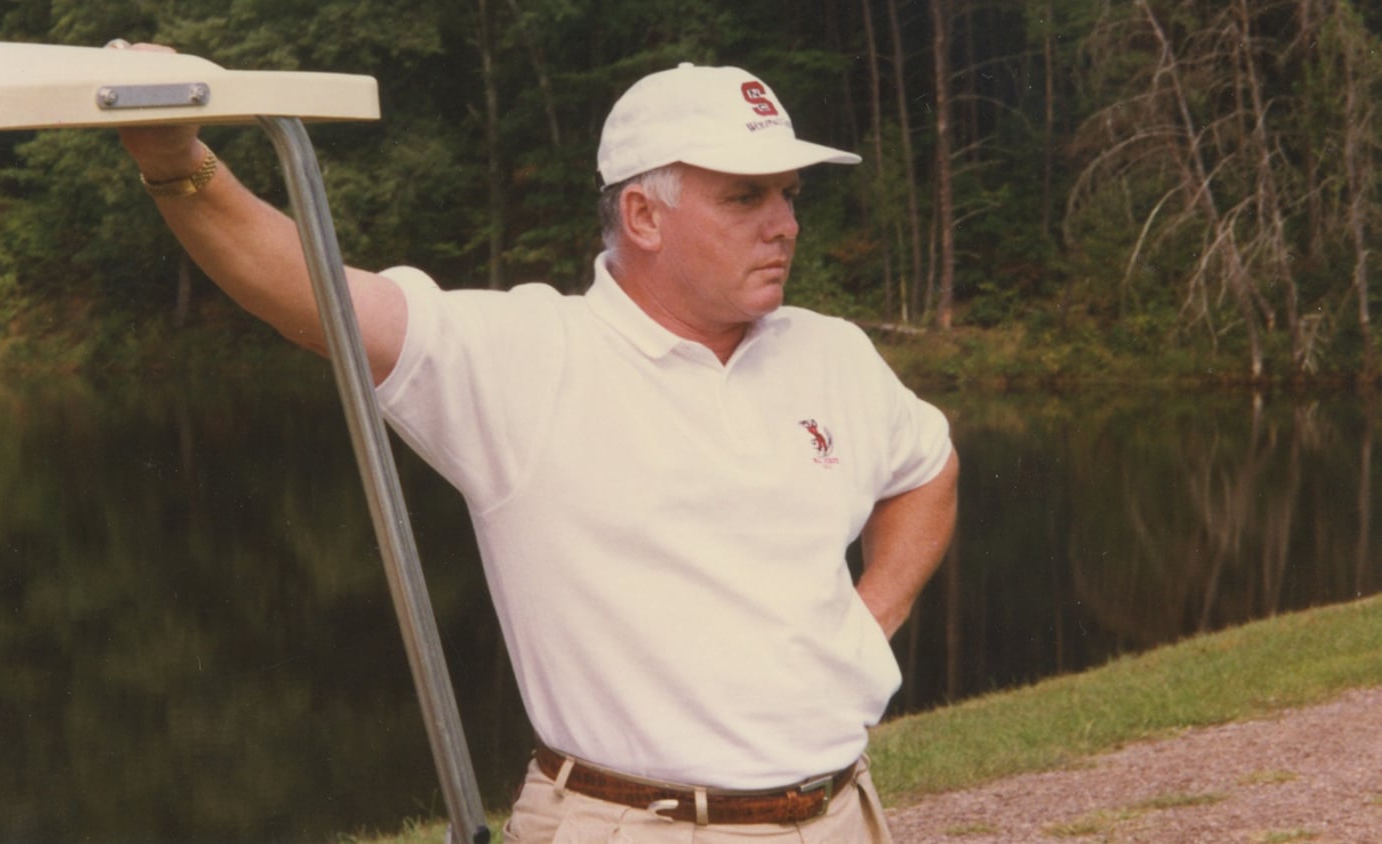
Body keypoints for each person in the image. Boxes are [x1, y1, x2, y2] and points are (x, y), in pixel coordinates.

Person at [118, 50, 959, 842]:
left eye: (790, 195)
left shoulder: (832, 351)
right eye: (747, 197)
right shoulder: (529, 358)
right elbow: (310, 292)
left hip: (841, 813)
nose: (785, 225)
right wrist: (178, 162)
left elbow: (928, 468)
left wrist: (871, 614)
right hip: (634, 825)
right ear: (643, 215)